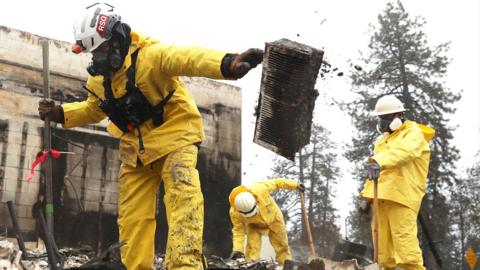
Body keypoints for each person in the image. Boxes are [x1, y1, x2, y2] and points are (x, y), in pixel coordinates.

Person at [37, 3, 263, 270]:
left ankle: (184, 266)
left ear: (117, 39)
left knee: (183, 201)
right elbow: (92, 108)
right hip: (136, 151)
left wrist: (228, 64)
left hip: (176, 135)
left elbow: (189, 58)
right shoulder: (102, 80)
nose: (98, 56)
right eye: (92, 51)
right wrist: (61, 112)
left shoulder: (151, 56)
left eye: (102, 49)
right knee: (133, 218)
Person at [360, 95, 435, 270]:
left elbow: (404, 152)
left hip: (402, 196)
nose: (382, 122)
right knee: (382, 256)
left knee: (407, 253)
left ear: (399, 115)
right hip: (381, 197)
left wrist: (378, 161)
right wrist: (365, 197)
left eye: (385, 118)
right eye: (380, 118)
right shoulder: (383, 140)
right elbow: (375, 172)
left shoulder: (413, 133)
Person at [228, 178, 305, 266]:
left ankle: (285, 265)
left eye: (253, 212)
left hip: (274, 219)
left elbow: (277, 183)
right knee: (252, 248)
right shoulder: (234, 213)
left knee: (282, 246)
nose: (252, 215)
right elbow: (238, 231)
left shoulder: (260, 189)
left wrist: (295, 184)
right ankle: (250, 266)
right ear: (240, 211)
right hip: (254, 226)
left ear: (255, 201)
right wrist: (238, 250)